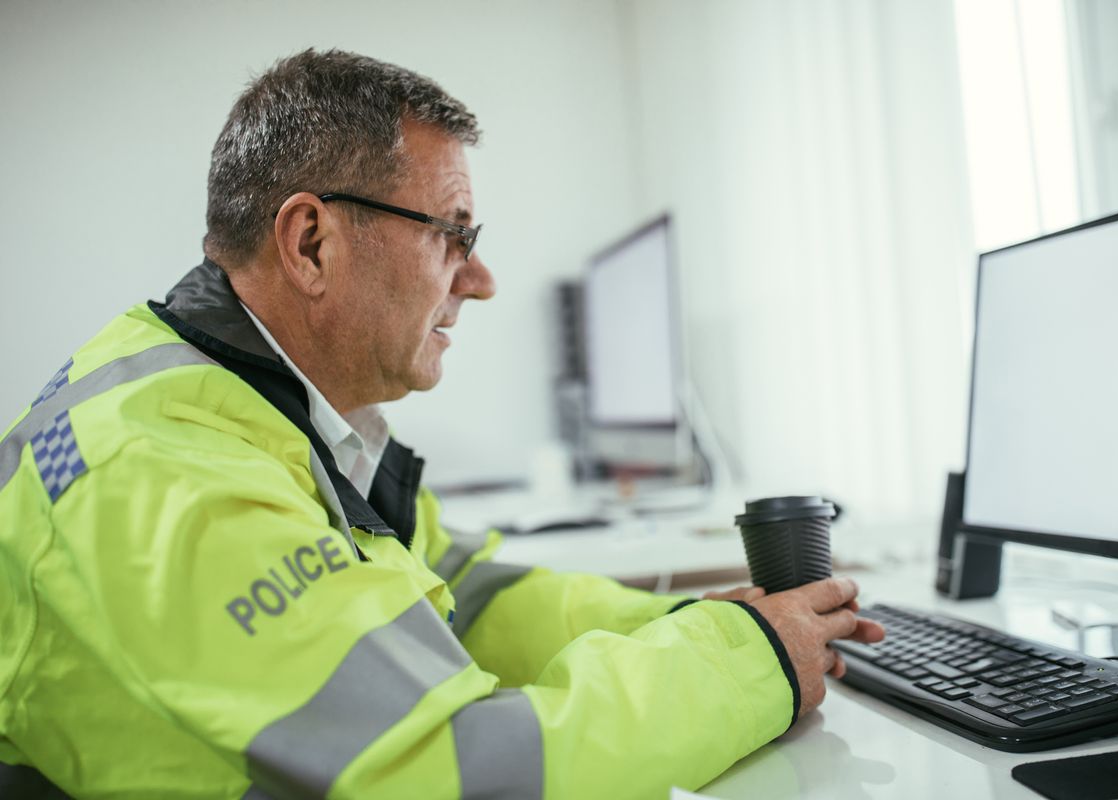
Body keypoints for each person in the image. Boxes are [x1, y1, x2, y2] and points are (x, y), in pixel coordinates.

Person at [0, 48, 884, 799]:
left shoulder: (260, 410)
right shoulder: (172, 471)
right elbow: (455, 771)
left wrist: (697, 621)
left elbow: (468, 595)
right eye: (451, 233)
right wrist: (750, 663)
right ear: (310, 243)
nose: (481, 277)